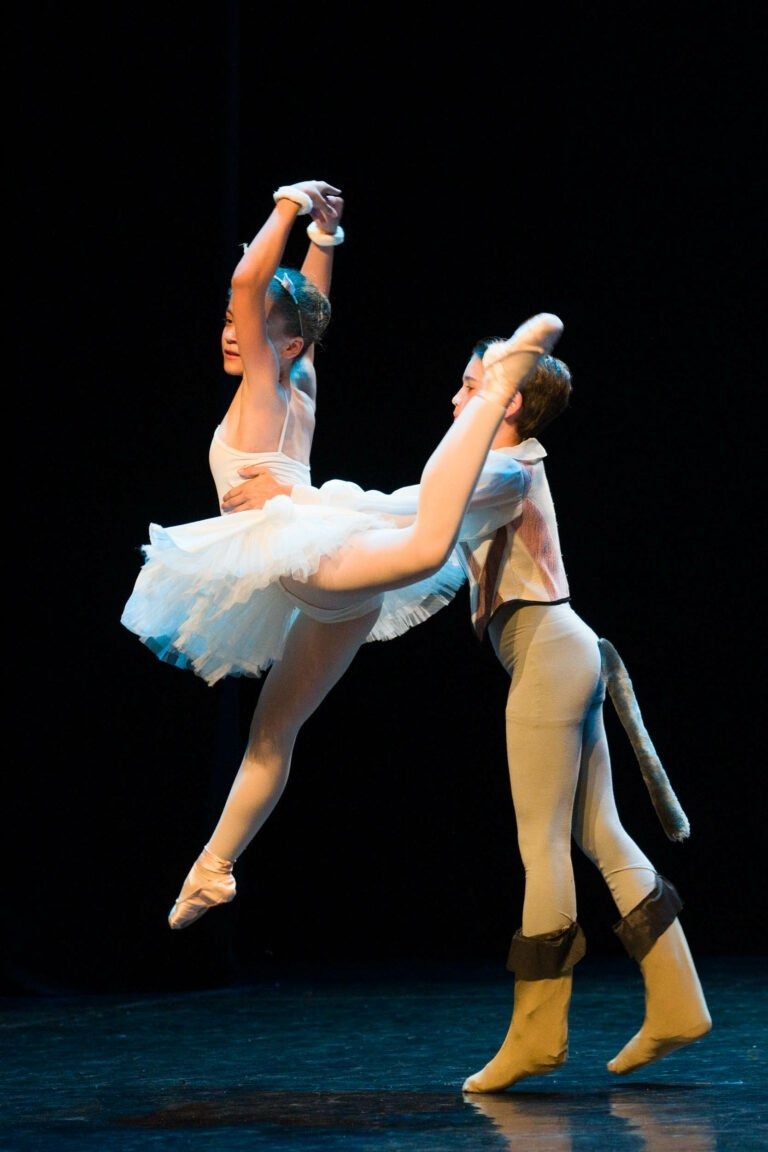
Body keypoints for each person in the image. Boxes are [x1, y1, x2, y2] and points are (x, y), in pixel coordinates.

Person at [226, 347, 712, 1086]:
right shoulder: (502, 469)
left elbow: (408, 507)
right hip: (562, 651)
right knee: (598, 832)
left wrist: (295, 503)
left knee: (542, 844)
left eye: (471, 385)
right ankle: (678, 1004)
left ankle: (537, 1034)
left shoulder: (503, 471)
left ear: (508, 404)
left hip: (551, 652)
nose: (457, 398)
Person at [120, 176, 565, 935]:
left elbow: (248, 279)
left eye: (246, 326)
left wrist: (287, 205)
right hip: (331, 574)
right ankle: (212, 869)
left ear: (282, 343)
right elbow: (304, 314)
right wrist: (324, 239)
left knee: (427, 545)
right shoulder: (302, 375)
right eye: (230, 324)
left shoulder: (269, 384)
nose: (232, 331)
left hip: (309, 552)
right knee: (271, 734)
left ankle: (505, 375)